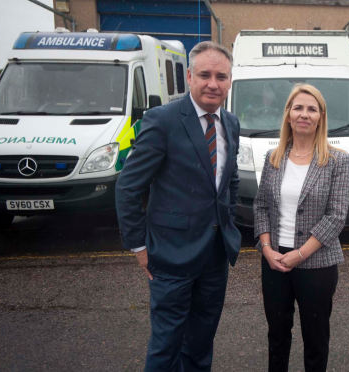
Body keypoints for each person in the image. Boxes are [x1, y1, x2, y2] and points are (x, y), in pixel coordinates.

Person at [115, 41, 241, 372]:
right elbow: (129, 187)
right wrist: (139, 246)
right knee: (166, 346)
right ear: (189, 76)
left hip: (215, 256)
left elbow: (230, 180)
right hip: (170, 256)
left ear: (230, 81)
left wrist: (228, 226)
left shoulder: (231, 123)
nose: (213, 83)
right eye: (205, 74)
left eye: (221, 76)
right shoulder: (163, 120)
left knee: (201, 342)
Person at [253, 84, 349, 372]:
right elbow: (260, 208)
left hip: (317, 262)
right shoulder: (273, 158)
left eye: (312, 109)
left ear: (321, 116)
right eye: (298, 108)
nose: (304, 114)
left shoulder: (338, 161)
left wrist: (300, 254)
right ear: (288, 115)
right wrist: (268, 249)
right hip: (274, 261)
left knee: (316, 339)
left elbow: (336, 216)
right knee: (277, 336)